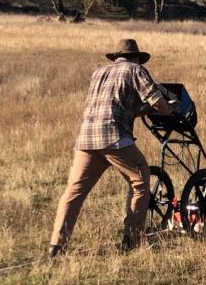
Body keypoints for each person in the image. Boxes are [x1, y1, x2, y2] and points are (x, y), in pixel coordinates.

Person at [48, 39, 173, 257]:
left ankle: (56, 245)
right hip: (114, 136)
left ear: (116, 57)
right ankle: (132, 237)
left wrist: (139, 109)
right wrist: (168, 109)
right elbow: (159, 103)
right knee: (140, 179)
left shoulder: (99, 73)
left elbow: (117, 103)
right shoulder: (136, 70)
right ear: (135, 57)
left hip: (86, 138)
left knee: (74, 192)